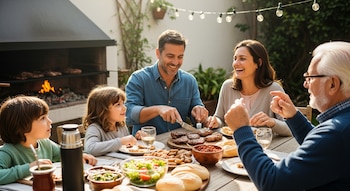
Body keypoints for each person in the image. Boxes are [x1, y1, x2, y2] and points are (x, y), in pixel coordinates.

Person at [224, 41, 350, 190]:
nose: (305, 84)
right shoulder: (341, 126)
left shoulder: (336, 133)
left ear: (333, 84)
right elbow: (320, 147)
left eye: (310, 77)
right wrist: (293, 116)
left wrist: (242, 130)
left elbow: (272, 182)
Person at [125, 29, 208, 135]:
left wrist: (198, 112)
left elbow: (196, 111)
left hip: (179, 146)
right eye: (170, 56)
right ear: (158, 53)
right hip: (147, 146)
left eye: (180, 57)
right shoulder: (138, 78)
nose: (175, 62)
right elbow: (130, 114)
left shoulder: (189, 81)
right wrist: (158, 110)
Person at [0, 96, 97, 185]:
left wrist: (79, 156)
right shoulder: (7, 151)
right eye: (42, 118)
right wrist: (30, 167)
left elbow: (63, 155)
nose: (50, 121)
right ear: (22, 127)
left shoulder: (45, 144)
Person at [206, 39, 291, 136]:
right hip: (232, 147)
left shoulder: (273, 90)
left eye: (242, 58)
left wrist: (271, 122)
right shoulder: (227, 87)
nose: (236, 63)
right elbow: (219, 118)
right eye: (235, 58)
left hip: (265, 148)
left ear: (258, 63)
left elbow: (290, 129)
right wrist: (215, 121)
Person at [83, 86, 137, 156]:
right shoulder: (95, 128)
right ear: (103, 110)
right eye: (118, 105)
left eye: (123, 103)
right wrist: (121, 141)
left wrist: (134, 139)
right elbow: (90, 149)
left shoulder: (121, 126)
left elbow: (127, 148)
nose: (124, 108)